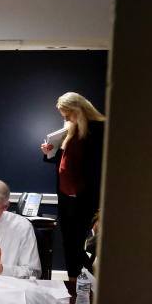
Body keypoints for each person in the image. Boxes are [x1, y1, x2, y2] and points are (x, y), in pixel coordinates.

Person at [40, 92, 106, 277]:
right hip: (65, 195)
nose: (66, 119)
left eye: (68, 115)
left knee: (74, 243)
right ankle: (75, 279)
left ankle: (80, 278)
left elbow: (97, 165)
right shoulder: (70, 130)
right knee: (69, 242)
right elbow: (65, 162)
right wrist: (49, 152)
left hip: (84, 197)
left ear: (79, 110)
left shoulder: (98, 129)